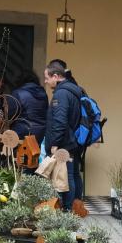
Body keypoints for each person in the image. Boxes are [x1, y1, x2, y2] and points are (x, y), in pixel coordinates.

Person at [43, 62, 83, 210]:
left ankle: (66, 209)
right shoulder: (72, 90)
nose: (46, 81)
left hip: (63, 143)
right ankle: (71, 207)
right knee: (71, 174)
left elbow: (60, 120)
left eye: (47, 78)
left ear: (55, 76)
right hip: (70, 141)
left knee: (66, 176)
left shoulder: (61, 93)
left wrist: (54, 143)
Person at [10, 69, 48, 144]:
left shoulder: (17, 93)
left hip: (22, 133)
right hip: (41, 133)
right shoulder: (43, 94)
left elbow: (10, 115)